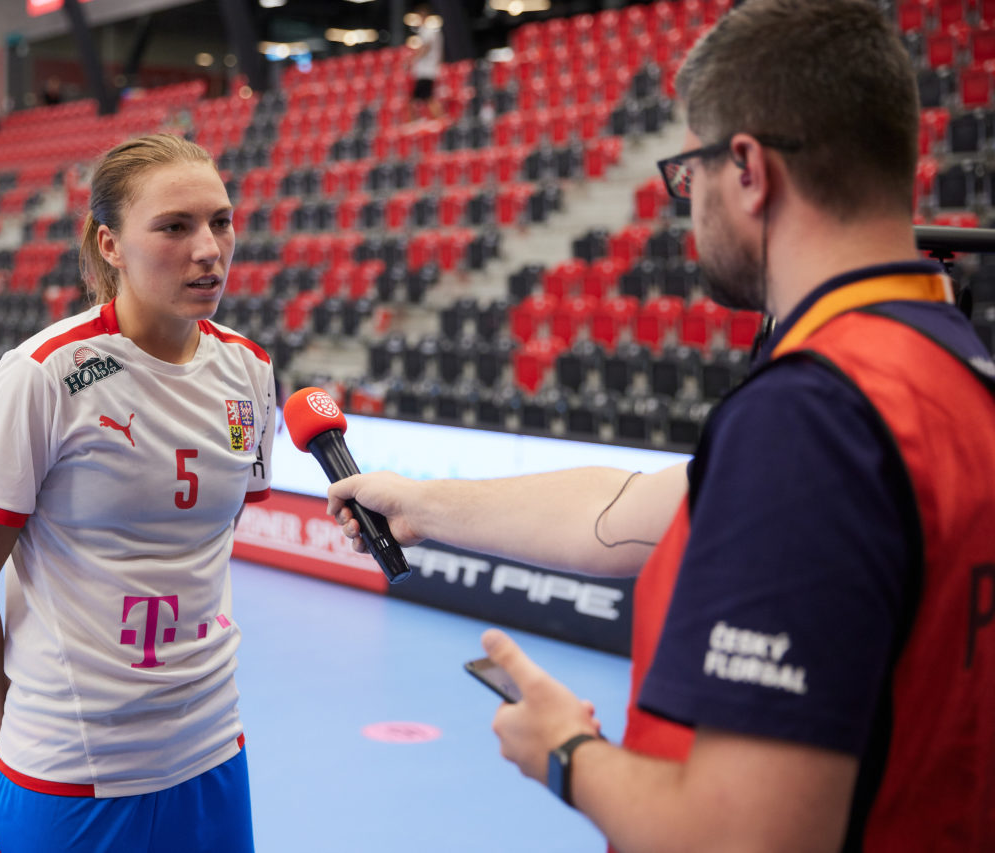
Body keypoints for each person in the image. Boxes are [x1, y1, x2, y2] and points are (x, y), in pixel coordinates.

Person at [328, 0, 995, 848]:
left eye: (690, 172)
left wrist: (567, 749)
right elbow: (626, 511)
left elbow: (747, 837)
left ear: (747, 168)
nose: (687, 203)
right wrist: (422, 504)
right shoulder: (950, 372)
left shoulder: (810, 419)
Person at [0, 133, 275, 852]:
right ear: (110, 244)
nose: (209, 248)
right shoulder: (43, 376)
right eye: (175, 227)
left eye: (220, 221)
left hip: (212, 751)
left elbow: (205, 548)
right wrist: (15, 734)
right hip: (68, 775)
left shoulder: (249, 370)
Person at [408, 4, 444, 122]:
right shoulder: (430, 32)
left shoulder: (428, 31)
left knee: (426, 98)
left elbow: (426, 48)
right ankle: (418, 121)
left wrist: (413, 60)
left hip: (426, 71)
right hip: (426, 71)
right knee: (419, 99)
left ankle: (441, 120)